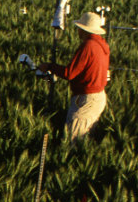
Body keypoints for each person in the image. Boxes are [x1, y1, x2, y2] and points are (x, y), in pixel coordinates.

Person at [41, 12, 110, 141]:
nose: (77, 31)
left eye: (79, 28)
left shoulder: (88, 46)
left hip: (86, 100)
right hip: (98, 98)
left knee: (73, 140)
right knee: (85, 140)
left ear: (84, 30)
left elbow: (69, 73)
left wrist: (50, 66)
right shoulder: (102, 45)